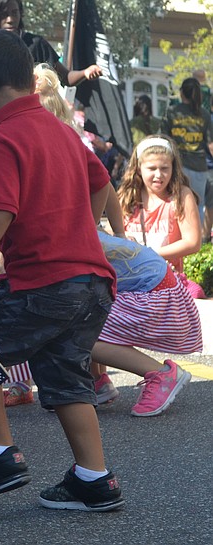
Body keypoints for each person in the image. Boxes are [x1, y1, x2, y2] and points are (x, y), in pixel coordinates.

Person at [0, 30, 124, 511]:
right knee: (68, 379)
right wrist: (79, 231)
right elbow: (102, 183)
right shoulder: (60, 129)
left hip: (42, 283)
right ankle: (94, 478)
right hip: (90, 284)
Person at [89, 231, 196, 416]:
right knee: (86, 319)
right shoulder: (77, 225)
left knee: (81, 336)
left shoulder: (65, 241)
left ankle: (162, 374)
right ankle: (96, 382)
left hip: (153, 294)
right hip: (156, 286)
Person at [119, 135, 202, 276]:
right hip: (130, 278)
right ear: (139, 169)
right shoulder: (128, 197)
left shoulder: (180, 196)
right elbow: (114, 234)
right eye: (152, 168)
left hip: (167, 279)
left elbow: (192, 242)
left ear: (173, 168)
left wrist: (148, 254)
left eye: (164, 168)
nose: (159, 175)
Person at [0, 0, 101, 87]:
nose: (10, 19)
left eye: (14, 13)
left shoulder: (36, 44)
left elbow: (66, 78)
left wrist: (85, 72)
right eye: (3, 15)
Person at [161, 78, 213, 225]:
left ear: (181, 92)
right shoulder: (204, 114)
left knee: (175, 203)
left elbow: (163, 139)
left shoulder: (172, 111)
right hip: (199, 167)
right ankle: (197, 243)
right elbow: (211, 144)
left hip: (176, 166)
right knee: (198, 204)